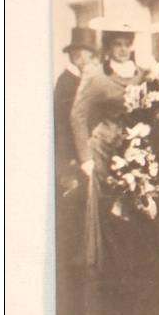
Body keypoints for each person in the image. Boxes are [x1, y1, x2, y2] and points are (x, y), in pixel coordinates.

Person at [70, 21, 154, 276]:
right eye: (117, 44)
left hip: (136, 145)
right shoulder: (96, 75)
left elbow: (147, 110)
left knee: (139, 200)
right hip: (106, 149)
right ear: (108, 46)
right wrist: (86, 158)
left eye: (127, 44)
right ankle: (114, 267)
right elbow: (77, 115)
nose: (123, 49)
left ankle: (138, 261)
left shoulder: (142, 73)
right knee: (112, 206)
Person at [55, 27, 99, 267]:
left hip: (86, 155)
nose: (90, 61)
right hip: (73, 161)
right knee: (74, 212)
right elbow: (61, 127)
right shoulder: (66, 83)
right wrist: (68, 163)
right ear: (76, 55)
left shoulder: (81, 80)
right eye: (88, 56)